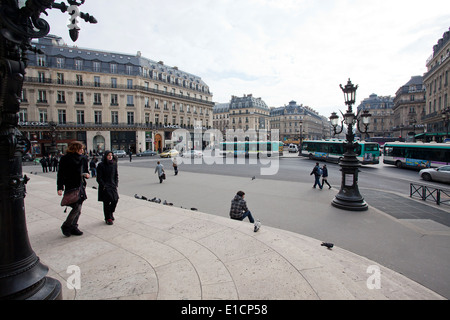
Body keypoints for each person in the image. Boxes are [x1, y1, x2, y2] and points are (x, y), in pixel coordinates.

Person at [57, 141, 90, 237]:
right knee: (76, 207)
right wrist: (60, 187)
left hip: (80, 185)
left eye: (83, 149)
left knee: (78, 208)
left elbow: (86, 171)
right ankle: (67, 225)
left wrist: (87, 175)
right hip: (70, 185)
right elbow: (61, 174)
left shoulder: (83, 158)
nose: (82, 150)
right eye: (80, 148)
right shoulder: (65, 159)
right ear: (75, 148)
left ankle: (73, 226)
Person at [97, 151, 119, 225]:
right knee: (106, 202)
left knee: (115, 200)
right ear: (105, 156)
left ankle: (110, 212)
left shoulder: (114, 164)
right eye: (108, 155)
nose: (110, 157)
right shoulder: (101, 165)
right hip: (105, 186)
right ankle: (108, 218)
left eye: (111, 155)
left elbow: (116, 175)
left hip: (112, 185)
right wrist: (104, 185)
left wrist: (116, 183)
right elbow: (99, 178)